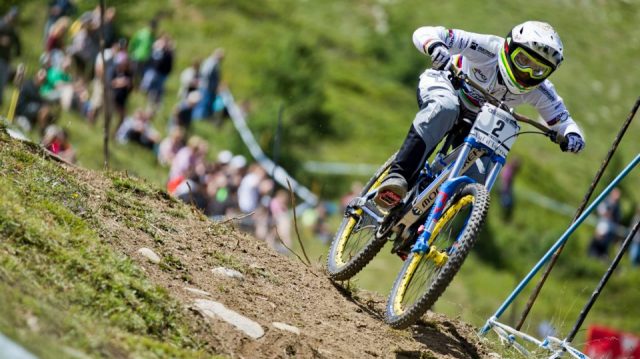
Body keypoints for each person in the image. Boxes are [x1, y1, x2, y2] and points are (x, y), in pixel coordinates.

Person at [374, 22, 586, 209]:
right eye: (523, 60)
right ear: (508, 47)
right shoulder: (486, 47)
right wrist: (435, 46)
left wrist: (573, 136)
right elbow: (426, 32)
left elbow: (564, 122)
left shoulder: (540, 90)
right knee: (445, 108)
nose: (527, 73)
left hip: (479, 121)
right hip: (448, 86)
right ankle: (398, 175)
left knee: (477, 173)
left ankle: (417, 229)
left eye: (538, 70)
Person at [0, 7, 21, 107]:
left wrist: (17, 53)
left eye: (15, 17)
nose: (13, 19)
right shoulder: (1, 25)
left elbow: (18, 45)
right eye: (12, 16)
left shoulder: (12, 30)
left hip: (5, 60)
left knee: (2, 82)